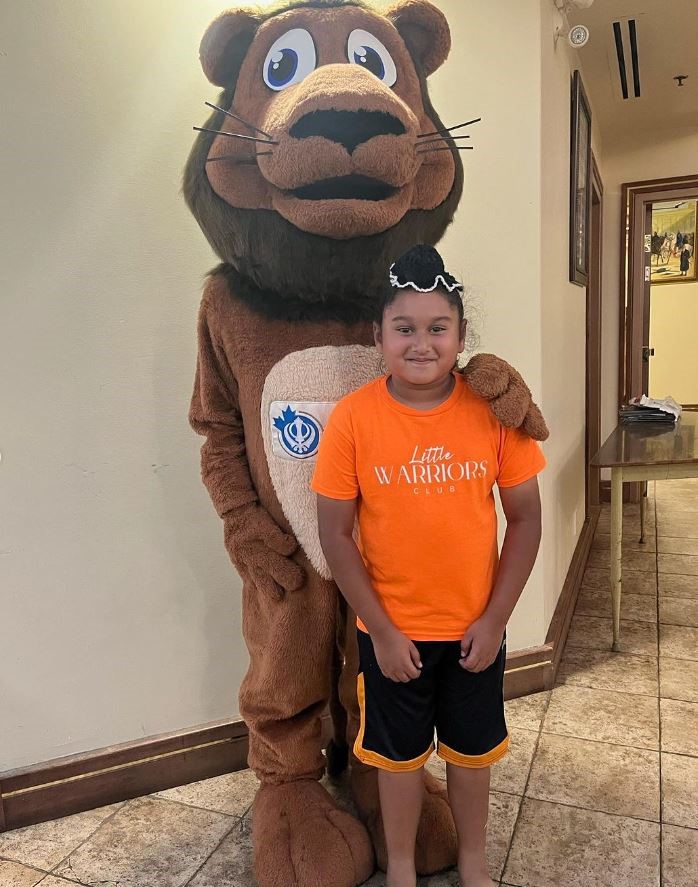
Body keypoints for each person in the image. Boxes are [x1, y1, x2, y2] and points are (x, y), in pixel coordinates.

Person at [311, 244, 545, 887]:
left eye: (438, 328)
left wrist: (496, 620)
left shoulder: (494, 414)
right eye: (404, 328)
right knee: (399, 759)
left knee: (472, 754)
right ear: (378, 336)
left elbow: (526, 519)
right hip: (394, 637)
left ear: (461, 337)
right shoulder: (354, 419)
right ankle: (403, 868)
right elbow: (336, 534)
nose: (421, 343)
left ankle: (473, 862)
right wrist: (383, 632)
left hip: (474, 632)